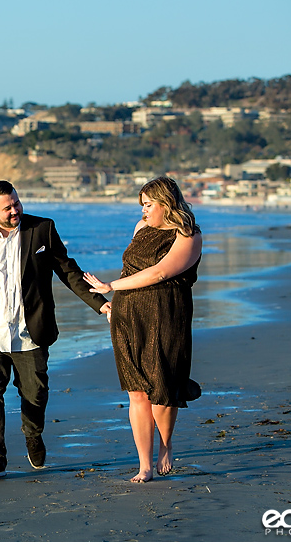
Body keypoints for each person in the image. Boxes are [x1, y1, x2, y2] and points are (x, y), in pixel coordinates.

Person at [0, 180, 110, 480]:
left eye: (16, 203)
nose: (14, 210)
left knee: (34, 394)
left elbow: (68, 271)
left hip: (29, 331)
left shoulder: (42, 229)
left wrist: (100, 304)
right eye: (7, 207)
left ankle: (33, 434)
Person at [84, 176, 202, 484]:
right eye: (142, 206)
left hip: (167, 314)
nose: (143, 212)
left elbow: (161, 272)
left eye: (148, 205)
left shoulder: (188, 235)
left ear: (166, 204)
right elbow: (130, 268)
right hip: (128, 314)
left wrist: (110, 286)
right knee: (137, 390)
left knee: (162, 387)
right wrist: (114, 307)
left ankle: (166, 446)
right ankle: (144, 465)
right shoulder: (140, 229)